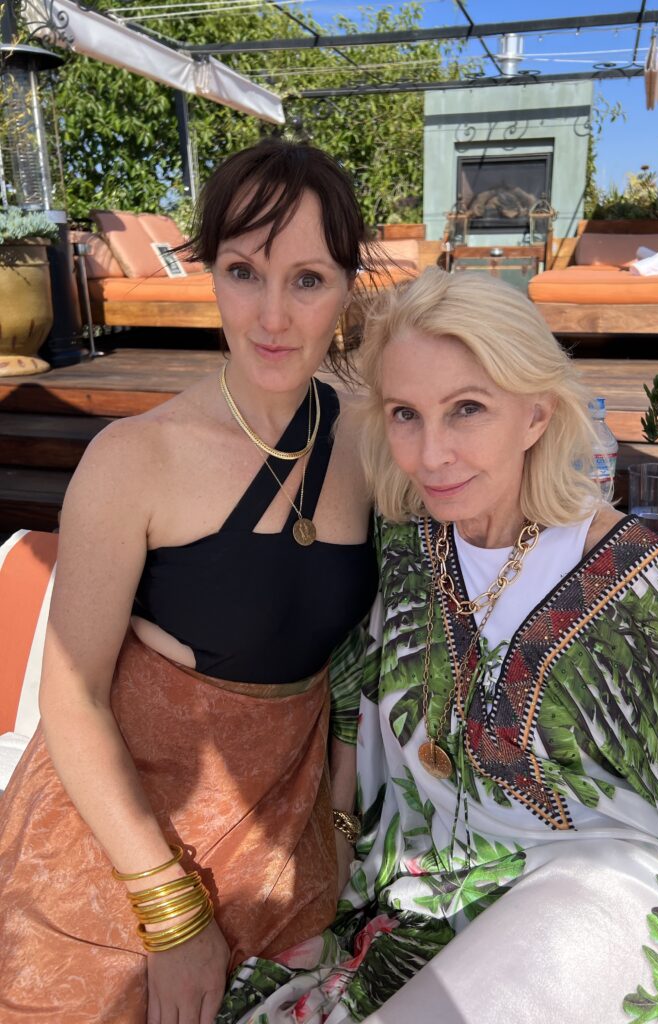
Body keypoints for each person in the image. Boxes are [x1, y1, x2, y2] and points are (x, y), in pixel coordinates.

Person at [220, 267, 658, 1024]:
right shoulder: (406, 550)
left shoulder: (635, 575)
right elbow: (350, 708)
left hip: (600, 899)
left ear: (536, 414)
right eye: (407, 414)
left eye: (467, 409)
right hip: (424, 905)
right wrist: (331, 862)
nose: (432, 455)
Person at [0, 138, 378, 1024]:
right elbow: (72, 697)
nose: (274, 316)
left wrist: (338, 820)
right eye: (245, 272)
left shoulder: (374, 444)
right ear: (209, 272)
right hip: (121, 838)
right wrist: (170, 919)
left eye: (308, 279)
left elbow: (374, 653)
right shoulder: (133, 460)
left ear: (347, 289)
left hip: (287, 844)